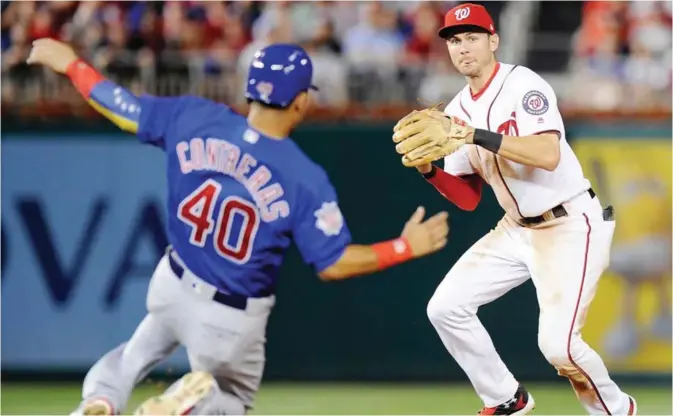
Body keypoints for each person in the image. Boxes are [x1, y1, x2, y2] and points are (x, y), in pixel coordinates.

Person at [26, 38, 450, 415]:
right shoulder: (302, 175)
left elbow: (122, 110)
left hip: (172, 282)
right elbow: (333, 263)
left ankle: (99, 401)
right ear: (301, 100)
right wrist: (404, 247)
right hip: (229, 317)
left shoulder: (193, 116)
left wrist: (72, 66)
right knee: (232, 398)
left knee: (133, 354)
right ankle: (191, 405)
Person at [391, 4, 637, 415]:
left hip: (570, 223)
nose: (463, 48)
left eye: (472, 38)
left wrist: (474, 135)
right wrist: (429, 170)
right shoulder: (455, 110)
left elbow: (548, 153)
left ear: (493, 41)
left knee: (559, 348)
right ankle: (506, 399)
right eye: (455, 40)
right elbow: (468, 198)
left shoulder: (523, 85)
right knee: (446, 308)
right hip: (515, 229)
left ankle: (617, 410)